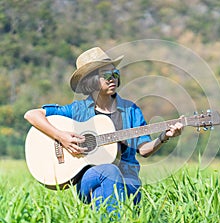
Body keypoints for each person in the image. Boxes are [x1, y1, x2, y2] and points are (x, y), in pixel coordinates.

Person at [24, 46, 184, 214]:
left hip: (128, 181)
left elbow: (144, 150)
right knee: (109, 171)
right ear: (90, 81)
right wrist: (61, 136)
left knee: (104, 190)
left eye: (115, 73)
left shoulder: (131, 110)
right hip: (88, 179)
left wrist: (164, 137)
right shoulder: (78, 110)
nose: (112, 79)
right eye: (106, 75)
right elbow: (32, 115)